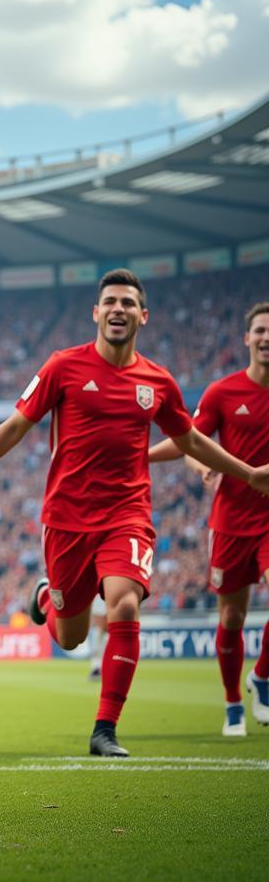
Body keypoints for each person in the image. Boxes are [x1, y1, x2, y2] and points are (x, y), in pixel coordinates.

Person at [0, 269, 269, 757]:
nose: (118, 309)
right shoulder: (63, 367)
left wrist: (249, 474)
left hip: (128, 516)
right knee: (70, 634)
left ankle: (105, 729)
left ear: (142, 316)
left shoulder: (158, 382)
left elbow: (189, 440)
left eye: (128, 302)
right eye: (110, 302)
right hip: (65, 520)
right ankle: (46, 598)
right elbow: (16, 426)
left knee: (124, 603)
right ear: (96, 313)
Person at [149, 301, 269, 736]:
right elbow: (188, 442)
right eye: (260, 330)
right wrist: (200, 467)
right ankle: (234, 702)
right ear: (247, 338)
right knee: (232, 619)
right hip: (232, 521)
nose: (266, 337)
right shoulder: (223, 392)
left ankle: (261, 676)